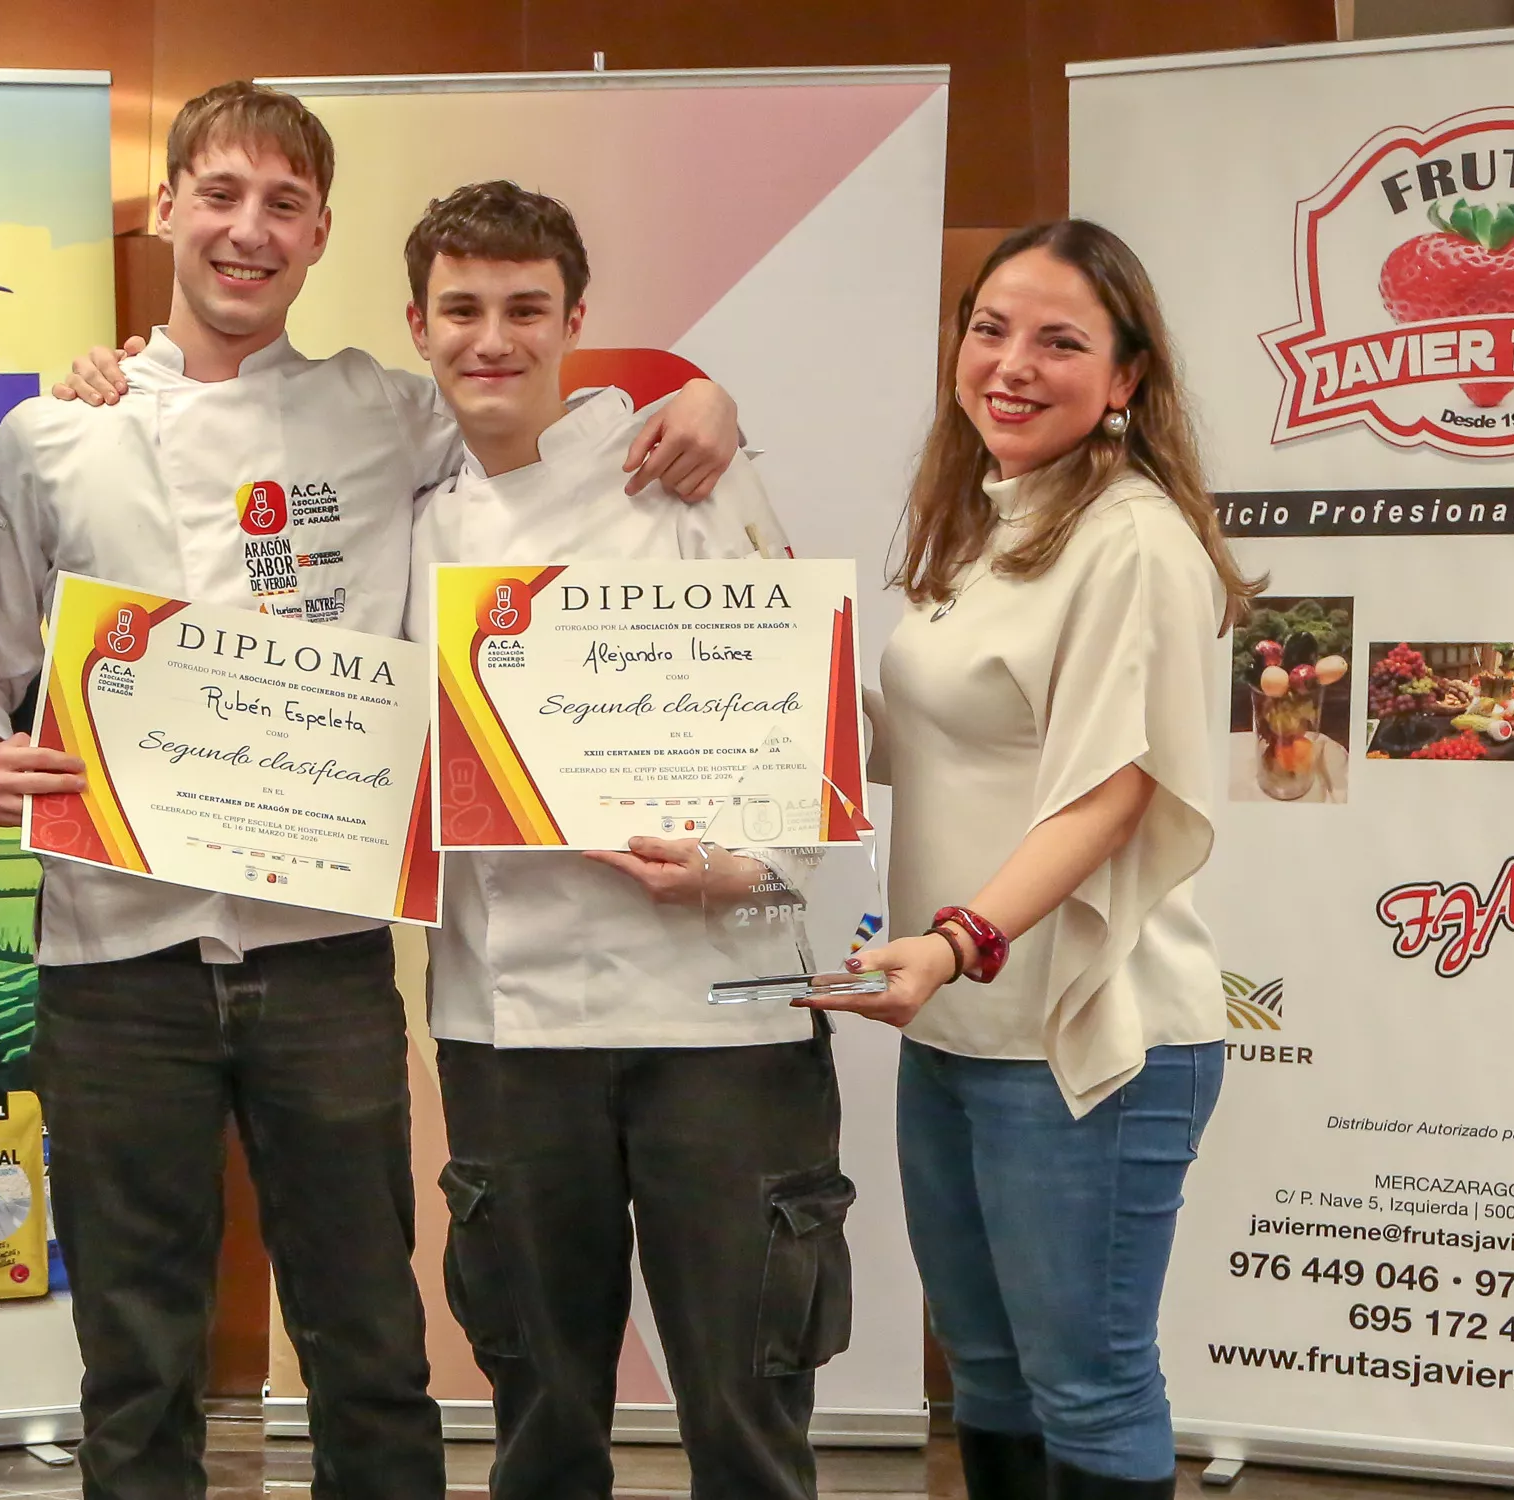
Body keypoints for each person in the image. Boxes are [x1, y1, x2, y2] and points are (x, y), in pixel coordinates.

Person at [0, 83, 742, 1500]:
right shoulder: (47, 438)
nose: (246, 232)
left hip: (318, 952)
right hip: (111, 956)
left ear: (320, 234)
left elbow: (545, 408)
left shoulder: (387, 415)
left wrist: (707, 396)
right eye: (220, 195)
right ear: (165, 209)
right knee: (135, 1358)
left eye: (282, 206)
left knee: (368, 1343)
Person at [400, 180, 856, 1500]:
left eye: (525, 309)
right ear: (418, 326)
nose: (493, 339)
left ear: (575, 318)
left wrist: (752, 867)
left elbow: (811, 713)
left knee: (746, 1406)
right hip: (510, 1024)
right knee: (540, 1416)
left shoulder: (690, 473)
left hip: (726, 1007)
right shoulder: (417, 517)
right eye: (463, 310)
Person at [801, 220, 1258, 1500]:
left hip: (1083, 1035)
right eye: (990, 329)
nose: (1011, 363)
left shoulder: (1131, 539)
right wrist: (766, 664)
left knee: (1091, 1386)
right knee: (990, 1378)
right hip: (959, 1034)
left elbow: (1108, 796)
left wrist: (951, 943)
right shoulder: (990, 523)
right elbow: (949, 746)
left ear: (1126, 380)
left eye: (1061, 341)